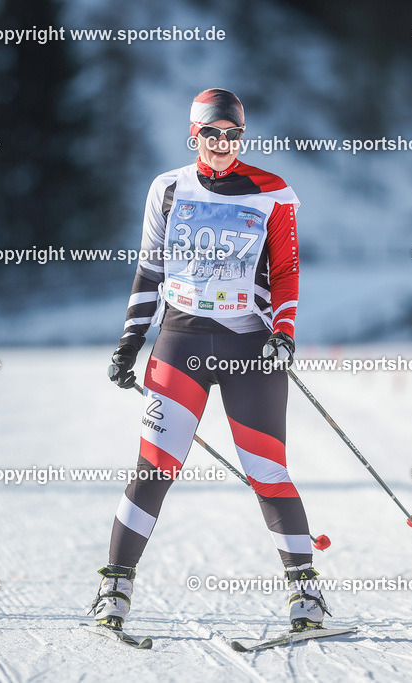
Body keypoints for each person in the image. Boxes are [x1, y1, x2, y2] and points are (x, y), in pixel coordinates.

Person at [89, 88, 328, 633]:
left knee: (268, 471)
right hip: (180, 343)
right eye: (212, 134)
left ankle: (306, 594)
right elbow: (150, 268)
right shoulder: (168, 188)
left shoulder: (274, 192)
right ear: (193, 135)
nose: (223, 145)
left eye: (233, 135)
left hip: (250, 346)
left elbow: (287, 272)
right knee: (155, 469)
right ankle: (114, 588)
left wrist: (284, 333)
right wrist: (131, 339)